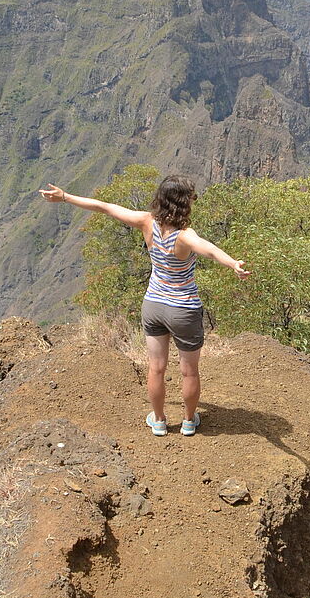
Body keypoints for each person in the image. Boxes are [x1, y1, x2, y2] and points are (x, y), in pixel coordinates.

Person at [39, 175, 250, 436]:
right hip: (183, 309)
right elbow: (208, 249)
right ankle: (188, 421)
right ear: (184, 204)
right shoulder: (185, 236)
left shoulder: (146, 222)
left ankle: (159, 420)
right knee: (189, 372)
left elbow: (105, 207)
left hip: (153, 306)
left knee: (156, 367)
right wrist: (232, 264)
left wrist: (65, 197)